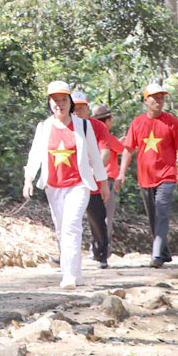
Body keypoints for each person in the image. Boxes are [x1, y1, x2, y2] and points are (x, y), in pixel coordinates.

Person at [23, 81, 109, 288]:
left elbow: (95, 156)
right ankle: (76, 272)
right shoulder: (44, 127)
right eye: (54, 100)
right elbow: (34, 155)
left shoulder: (83, 125)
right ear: (49, 103)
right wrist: (28, 179)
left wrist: (103, 182)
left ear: (70, 102)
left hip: (79, 184)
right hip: (54, 185)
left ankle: (68, 275)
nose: (59, 104)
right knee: (62, 228)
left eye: (63, 100)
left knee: (71, 225)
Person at [115, 83, 178, 267]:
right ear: (146, 100)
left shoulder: (171, 121)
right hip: (145, 177)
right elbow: (128, 149)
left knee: (162, 211)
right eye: (155, 97)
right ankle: (164, 252)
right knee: (153, 216)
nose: (159, 101)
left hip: (167, 175)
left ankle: (156, 255)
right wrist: (121, 173)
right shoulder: (137, 123)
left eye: (161, 97)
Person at [72, 92, 113, 268]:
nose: (78, 111)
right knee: (69, 219)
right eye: (75, 108)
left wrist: (95, 171)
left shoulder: (97, 127)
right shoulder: (65, 127)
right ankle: (66, 254)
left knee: (97, 218)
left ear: (88, 109)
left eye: (82, 107)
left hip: (93, 180)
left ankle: (101, 253)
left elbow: (105, 152)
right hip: (71, 181)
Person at [91, 103, 124, 257]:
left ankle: (96, 249)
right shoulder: (108, 137)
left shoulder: (91, 136)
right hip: (107, 180)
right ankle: (104, 251)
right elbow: (123, 149)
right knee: (106, 218)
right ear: (108, 121)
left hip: (91, 179)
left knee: (94, 217)